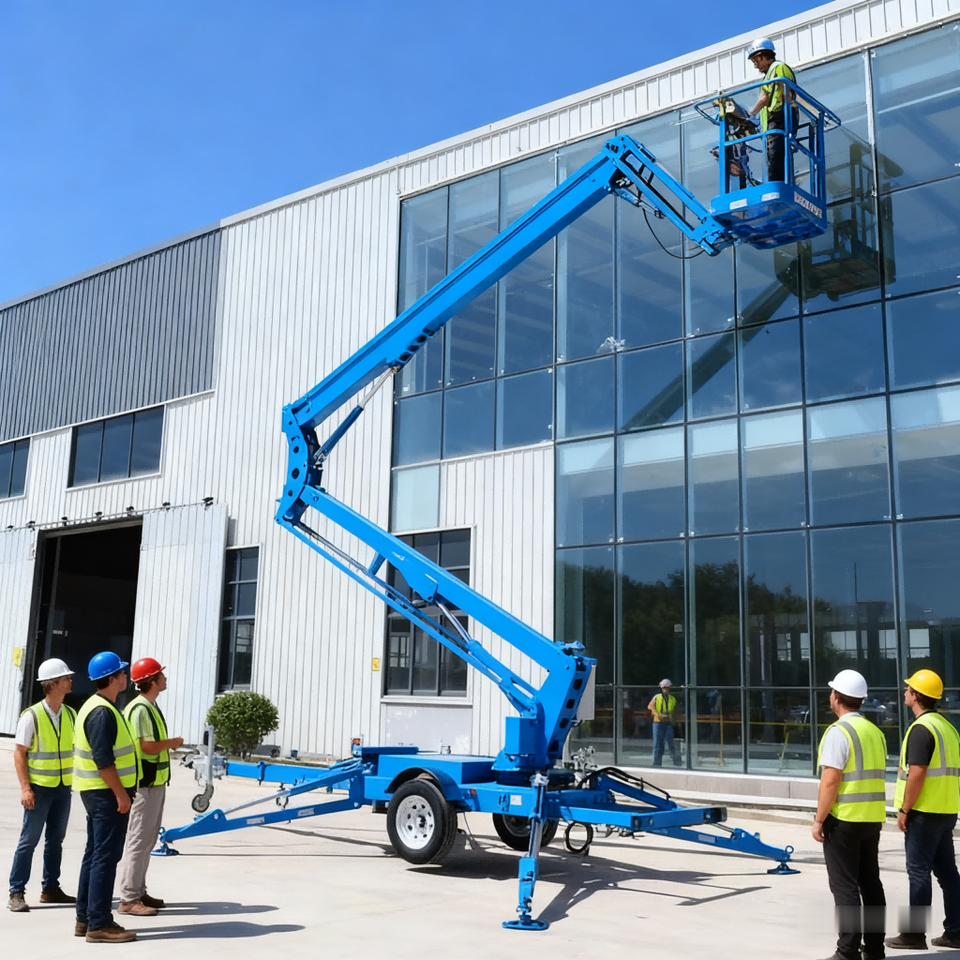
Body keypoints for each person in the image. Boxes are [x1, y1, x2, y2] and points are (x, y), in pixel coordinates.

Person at [812, 669, 887, 960]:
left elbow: (830, 781)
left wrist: (819, 819)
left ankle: (847, 951)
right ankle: (875, 948)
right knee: (871, 883)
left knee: (844, 886)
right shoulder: (874, 732)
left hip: (844, 819)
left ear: (836, 697)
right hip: (872, 817)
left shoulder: (838, 732)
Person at [885, 669, 960, 951]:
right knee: (948, 873)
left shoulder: (921, 729)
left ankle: (914, 935)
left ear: (916, 696)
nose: (905, 692)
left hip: (923, 812)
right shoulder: (947, 728)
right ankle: (956, 931)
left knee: (918, 872)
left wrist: (905, 809)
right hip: (946, 810)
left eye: (908, 689)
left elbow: (917, 773)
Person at [73, 651, 140, 944]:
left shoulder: (98, 707)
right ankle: (99, 923)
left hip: (97, 792)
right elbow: (104, 761)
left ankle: (85, 918)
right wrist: (121, 795)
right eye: (122, 673)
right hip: (106, 794)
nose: (126, 676)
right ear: (112, 678)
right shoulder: (102, 712)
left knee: (95, 854)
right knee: (105, 857)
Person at [8, 658, 77, 912]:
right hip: (39, 789)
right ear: (53, 684)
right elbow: (19, 753)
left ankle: (50, 888)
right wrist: (26, 788)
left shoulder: (70, 714)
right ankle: (16, 892)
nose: (71, 680)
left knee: (56, 840)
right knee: (29, 841)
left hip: (63, 788)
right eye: (66, 678)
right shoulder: (32, 716)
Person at [117, 657, 184, 916]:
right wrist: (172, 743)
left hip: (154, 783)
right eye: (161, 675)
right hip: (144, 784)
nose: (165, 679)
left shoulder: (149, 706)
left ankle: (138, 890)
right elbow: (145, 746)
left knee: (148, 839)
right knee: (139, 839)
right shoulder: (141, 709)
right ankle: (128, 898)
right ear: (152, 681)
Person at [746, 38, 797, 183]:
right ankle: (776, 183)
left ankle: (777, 185)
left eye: (756, 61)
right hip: (773, 121)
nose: (755, 66)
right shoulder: (768, 76)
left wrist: (751, 114)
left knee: (776, 156)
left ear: (763, 56)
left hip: (780, 117)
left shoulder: (778, 67)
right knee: (774, 157)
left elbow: (765, 98)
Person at [648, 679, 680, 766]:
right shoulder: (657, 697)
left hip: (668, 723)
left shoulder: (672, 699)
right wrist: (658, 715)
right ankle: (656, 763)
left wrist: (673, 719)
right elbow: (650, 706)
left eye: (667, 688)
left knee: (670, 743)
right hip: (658, 723)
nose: (665, 689)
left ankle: (676, 761)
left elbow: (675, 710)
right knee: (657, 744)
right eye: (664, 688)